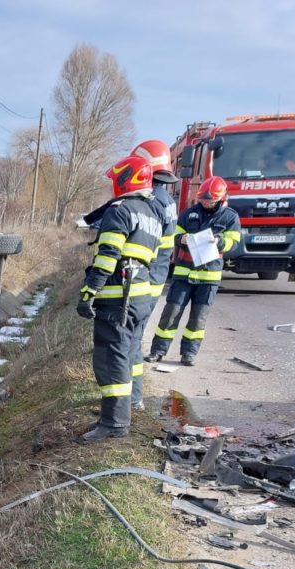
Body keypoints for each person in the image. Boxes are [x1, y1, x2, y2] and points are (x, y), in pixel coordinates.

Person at [76, 154, 161, 442]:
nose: (114, 185)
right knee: (126, 357)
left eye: (116, 179)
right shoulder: (152, 213)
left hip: (117, 301)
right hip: (139, 297)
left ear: (127, 179)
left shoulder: (120, 211)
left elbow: (108, 256)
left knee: (111, 361)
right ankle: (114, 416)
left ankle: (114, 424)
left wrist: (89, 291)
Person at [145, 176, 240, 367]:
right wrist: (181, 239)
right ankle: (157, 351)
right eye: (203, 199)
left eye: (210, 199)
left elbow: (234, 243)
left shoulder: (230, 217)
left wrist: (219, 241)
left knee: (198, 318)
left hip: (208, 278)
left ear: (220, 199)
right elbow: (174, 235)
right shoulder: (188, 214)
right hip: (184, 274)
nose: (206, 202)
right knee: (170, 313)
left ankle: (189, 354)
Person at [129, 139, 179, 411]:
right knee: (134, 338)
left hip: (143, 281)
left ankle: (132, 399)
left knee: (131, 341)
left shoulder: (151, 201)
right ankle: (131, 398)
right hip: (155, 279)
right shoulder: (167, 200)